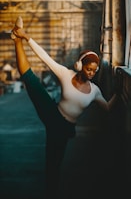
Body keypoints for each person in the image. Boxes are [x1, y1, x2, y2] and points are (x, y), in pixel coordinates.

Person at [11, 16, 118, 199]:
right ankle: (16, 40)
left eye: (94, 70)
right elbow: (44, 57)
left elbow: (107, 108)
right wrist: (26, 36)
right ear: (80, 66)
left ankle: (50, 193)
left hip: (63, 128)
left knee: (53, 164)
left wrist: (120, 94)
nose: (91, 73)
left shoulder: (95, 91)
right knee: (29, 78)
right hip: (52, 112)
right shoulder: (66, 74)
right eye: (88, 69)